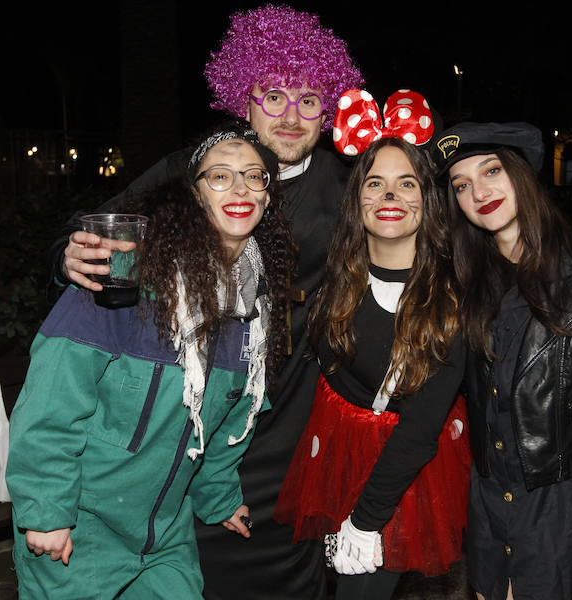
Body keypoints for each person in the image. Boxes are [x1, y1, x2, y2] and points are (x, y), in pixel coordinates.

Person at [45, 5, 364, 598]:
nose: (290, 116)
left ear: (330, 107)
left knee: (286, 566)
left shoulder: (350, 187)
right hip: (196, 405)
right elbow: (96, 233)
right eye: (273, 95)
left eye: (309, 98)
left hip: (291, 413)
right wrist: (68, 254)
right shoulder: (199, 168)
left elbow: (421, 239)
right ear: (244, 99)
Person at [6, 121, 296, 598]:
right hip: (79, 528)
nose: (240, 186)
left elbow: (228, 422)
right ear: (193, 195)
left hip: (165, 536)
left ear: (268, 199)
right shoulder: (122, 280)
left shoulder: (254, 311)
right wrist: (45, 510)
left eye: (254, 176)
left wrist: (220, 498)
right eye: (220, 175)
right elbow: (49, 402)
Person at [273, 90, 472, 600]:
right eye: (375, 183)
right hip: (331, 452)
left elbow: (422, 427)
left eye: (406, 184)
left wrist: (364, 524)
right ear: (356, 198)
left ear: (427, 199)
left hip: (402, 472)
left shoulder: (451, 301)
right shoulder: (337, 276)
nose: (389, 197)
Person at [433, 122, 572, 600]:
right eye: (461, 185)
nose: (477, 191)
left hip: (562, 508)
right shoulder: (470, 285)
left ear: (523, 175)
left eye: (491, 171)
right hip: (488, 503)